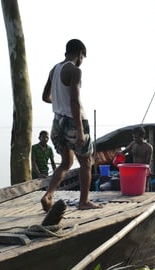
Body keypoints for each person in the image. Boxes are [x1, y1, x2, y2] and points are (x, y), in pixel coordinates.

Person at [40, 39, 101, 211]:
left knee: (66, 163)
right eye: (83, 57)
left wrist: (59, 102)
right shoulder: (74, 71)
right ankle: (84, 202)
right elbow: (74, 101)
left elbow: (45, 97)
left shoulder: (55, 69)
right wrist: (80, 131)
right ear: (80, 53)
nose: (82, 61)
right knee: (86, 162)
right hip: (74, 121)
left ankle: (48, 195)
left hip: (57, 121)